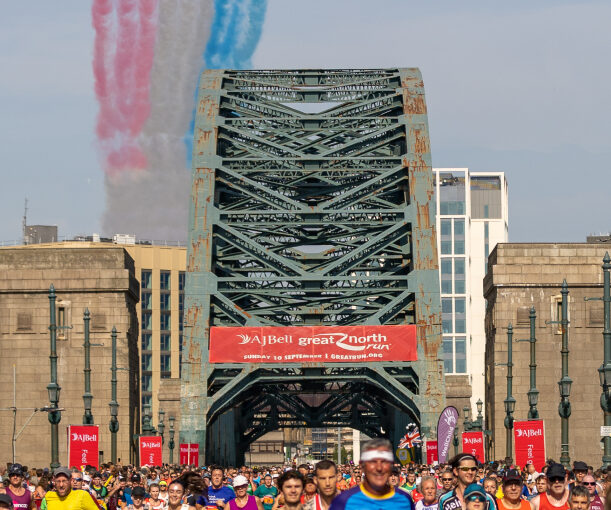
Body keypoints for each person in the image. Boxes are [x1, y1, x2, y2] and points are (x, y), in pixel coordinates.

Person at [329, 438, 414, 509]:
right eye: (373, 462)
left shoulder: (404, 500)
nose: (379, 468)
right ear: (362, 466)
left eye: (384, 462)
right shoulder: (343, 501)